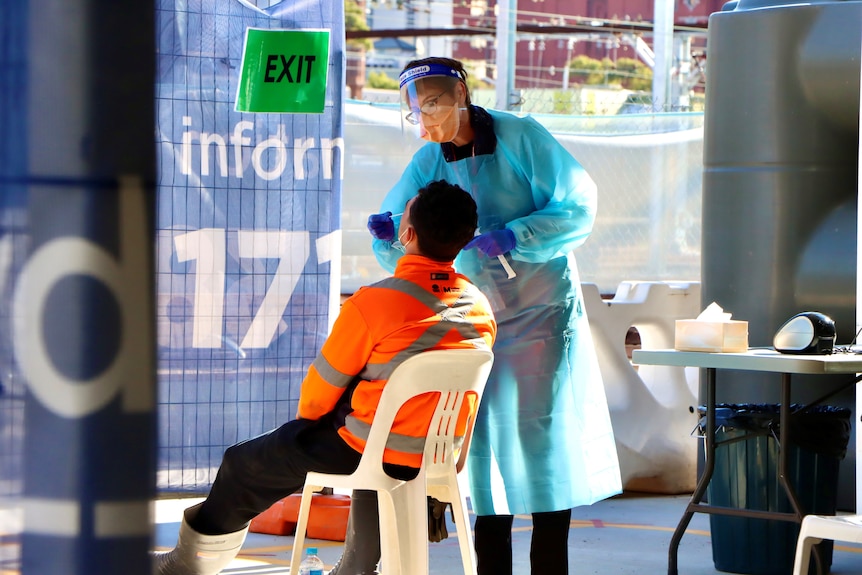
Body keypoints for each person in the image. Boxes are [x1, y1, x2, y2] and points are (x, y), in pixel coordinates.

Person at [337, 57, 622, 575]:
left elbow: (578, 203)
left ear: (460, 95)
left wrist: (521, 234)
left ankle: (549, 566)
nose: (426, 120)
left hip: (541, 312)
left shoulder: (521, 137)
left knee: (542, 437)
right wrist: (384, 233)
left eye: (433, 104)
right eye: (416, 111)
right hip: (473, 319)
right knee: (480, 437)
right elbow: (403, 232)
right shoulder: (429, 161)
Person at [154, 179, 496, 575]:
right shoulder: (480, 307)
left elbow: (318, 394)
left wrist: (304, 431)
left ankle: (184, 564)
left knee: (243, 464)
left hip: (366, 448)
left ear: (408, 233)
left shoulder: (375, 302)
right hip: (438, 454)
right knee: (371, 432)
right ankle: (358, 565)